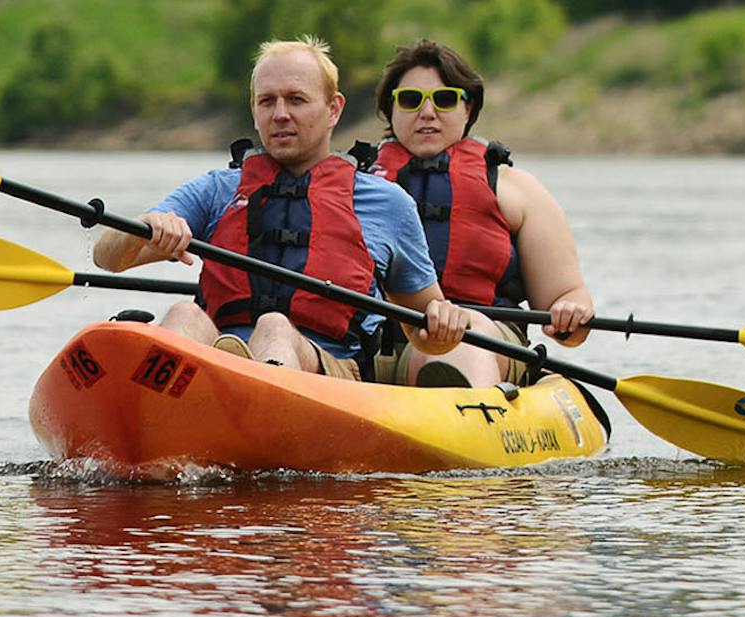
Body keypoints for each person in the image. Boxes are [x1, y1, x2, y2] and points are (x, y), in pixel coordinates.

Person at [92, 36, 472, 380]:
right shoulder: (217, 189)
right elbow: (107, 258)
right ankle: (164, 421)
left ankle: (247, 409)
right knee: (184, 314)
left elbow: (425, 335)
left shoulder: (387, 203)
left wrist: (443, 324)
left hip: (329, 374)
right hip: (214, 361)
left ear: (333, 109)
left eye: (296, 99)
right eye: (267, 101)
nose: (280, 115)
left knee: (274, 327)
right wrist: (144, 225)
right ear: (254, 110)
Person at [366, 38, 594, 387]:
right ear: (391, 110)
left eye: (444, 100)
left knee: (466, 331)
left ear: (468, 109)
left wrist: (571, 313)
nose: (427, 113)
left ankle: (460, 407)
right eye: (410, 101)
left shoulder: (516, 190)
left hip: (485, 340)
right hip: (373, 349)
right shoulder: (357, 187)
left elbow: (568, 306)